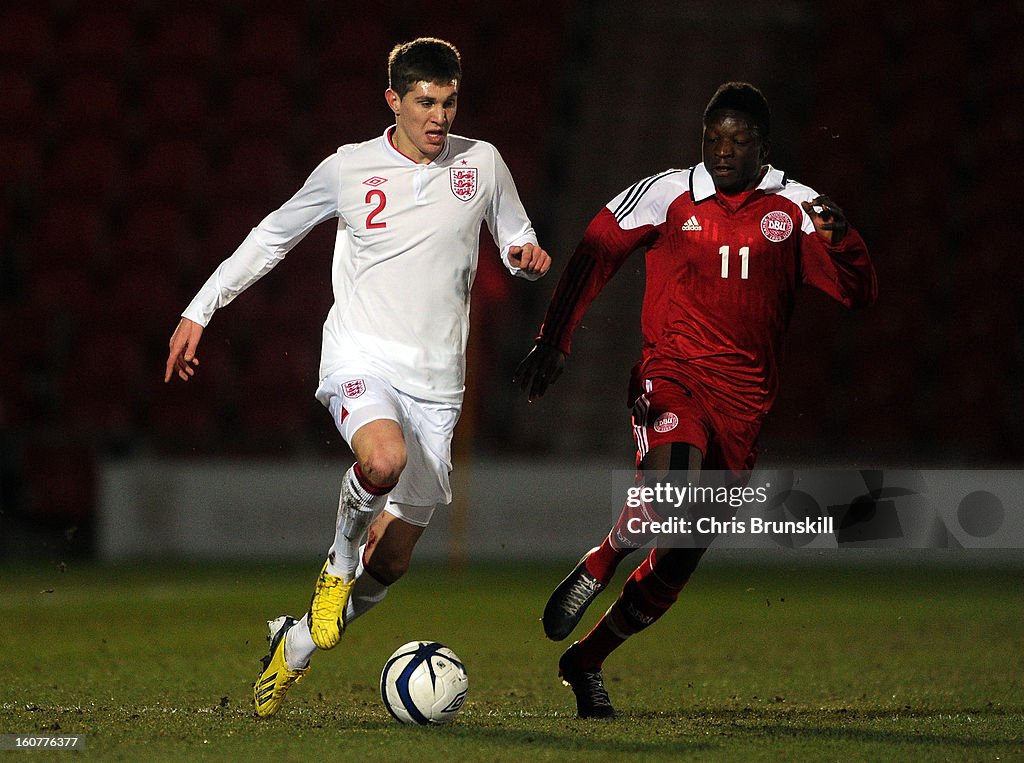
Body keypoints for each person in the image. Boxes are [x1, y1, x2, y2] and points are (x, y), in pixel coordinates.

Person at [164, 37, 551, 717]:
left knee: (395, 560)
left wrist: (524, 257)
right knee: (381, 459)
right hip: (361, 358)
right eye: (425, 102)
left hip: (439, 385)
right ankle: (335, 566)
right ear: (393, 101)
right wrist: (201, 307)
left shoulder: (482, 162)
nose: (439, 116)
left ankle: (297, 648)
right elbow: (273, 235)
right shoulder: (349, 169)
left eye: (449, 101)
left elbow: (515, 238)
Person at [514, 82, 876, 718]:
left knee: (680, 552)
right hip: (672, 374)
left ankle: (585, 660)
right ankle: (602, 560)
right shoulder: (665, 193)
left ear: (765, 146)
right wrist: (555, 338)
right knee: (674, 490)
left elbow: (859, 294)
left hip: (746, 407)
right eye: (714, 138)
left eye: (738, 140)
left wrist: (845, 240)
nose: (723, 151)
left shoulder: (797, 208)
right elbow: (596, 252)